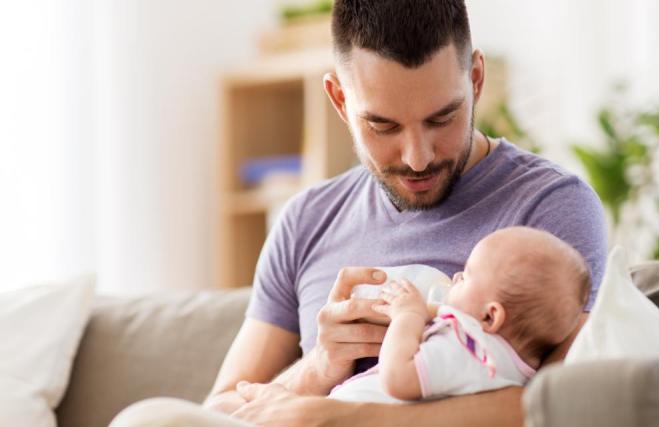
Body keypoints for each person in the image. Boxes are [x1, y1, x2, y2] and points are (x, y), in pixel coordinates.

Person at [110, 0, 607, 426]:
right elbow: (216, 411)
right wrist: (321, 367)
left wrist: (353, 419)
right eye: (383, 125)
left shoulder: (549, 209)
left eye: (442, 118)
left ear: (475, 80)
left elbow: (563, 402)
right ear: (340, 100)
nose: (418, 156)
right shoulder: (307, 219)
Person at [328, 227, 590, 404]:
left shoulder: (469, 348)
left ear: (490, 317)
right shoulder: (502, 365)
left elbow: (398, 379)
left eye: (467, 275)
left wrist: (406, 317)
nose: (455, 277)